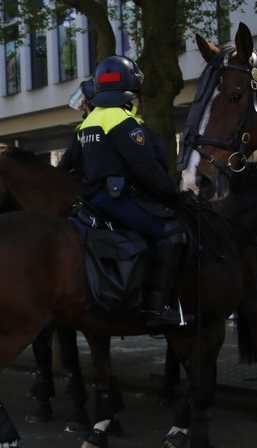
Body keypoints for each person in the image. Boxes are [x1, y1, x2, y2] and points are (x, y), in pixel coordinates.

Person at [78, 55, 192, 330]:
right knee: (173, 232)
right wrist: (172, 195)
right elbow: (145, 167)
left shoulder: (90, 121)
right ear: (131, 86)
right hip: (117, 198)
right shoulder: (122, 119)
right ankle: (158, 308)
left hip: (93, 199)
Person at [56, 79, 96, 176]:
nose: (83, 107)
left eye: (84, 104)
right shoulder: (116, 121)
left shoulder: (81, 129)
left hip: (86, 181)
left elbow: (65, 162)